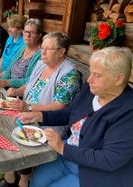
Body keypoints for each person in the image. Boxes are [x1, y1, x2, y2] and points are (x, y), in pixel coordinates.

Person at [18, 46, 133, 187]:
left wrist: (62, 148)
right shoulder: (92, 89)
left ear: (118, 79)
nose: (89, 79)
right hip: (67, 154)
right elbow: (69, 113)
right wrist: (39, 116)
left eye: (97, 75)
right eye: (90, 72)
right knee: (37, 181)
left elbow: (110, 159)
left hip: (92, 173)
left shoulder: (128, 112)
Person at [0, 32, 81, 187]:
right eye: (42, 47)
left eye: (48, 49)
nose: (43, 52)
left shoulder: (70, 74)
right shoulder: (43, 63)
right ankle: (10, 175)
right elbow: (30, 84)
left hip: (48, 122)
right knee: (2, 121)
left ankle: (23, 179)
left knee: (22, 134)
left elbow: (60, 106)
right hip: (27, 111)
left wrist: (29, 107)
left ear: (62, 52)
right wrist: (16, 92)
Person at [0, 18, 42, 88]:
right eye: (26, 32)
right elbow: (9, 69)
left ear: (39, 35)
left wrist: (8, 82)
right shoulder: (24, 48)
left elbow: (32, 80)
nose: (28, 35)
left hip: (18, 92)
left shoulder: (40, 55)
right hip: (7, 86)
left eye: (32, 33)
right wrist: (0, 81)